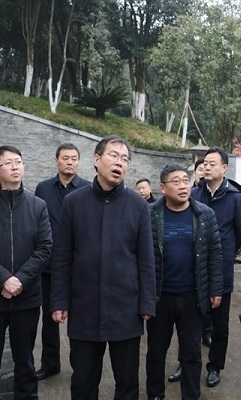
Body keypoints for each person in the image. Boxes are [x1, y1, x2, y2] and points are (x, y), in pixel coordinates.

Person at [51, 135, 156, 400]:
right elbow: (62, 257)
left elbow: (146, 260)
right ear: (97, 160)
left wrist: (147, 303)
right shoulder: (74, 202)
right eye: (113, 155)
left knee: (128, 383)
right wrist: (59, 301)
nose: (119, 162)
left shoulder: (138, 206)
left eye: (125, 159)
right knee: (83, 383)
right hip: (84, 307)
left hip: (126, 308)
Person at [146, 164, 223, 400]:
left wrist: (216, 288)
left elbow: (215, 253)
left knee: (192, 353)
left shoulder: (205, 214)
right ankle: (155, 394)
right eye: (176, 181)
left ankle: (191, 395)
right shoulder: (149, 214)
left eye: (185, 180)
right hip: (160, 296)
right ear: (162, 188)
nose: (182, 186)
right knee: (156, 351)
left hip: (193, 296)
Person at [190, 146, 241, 388]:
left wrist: (225, 251)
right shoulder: (194, 194)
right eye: (204, 163)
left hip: (220, 269)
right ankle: (187, 362)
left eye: (212, 163)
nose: (206, 167)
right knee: (190, 321)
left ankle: (215, 366)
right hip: (193, 267)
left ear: (224, 168)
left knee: (220, 323)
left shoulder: (236, 198)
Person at [33, 142, 91, 381]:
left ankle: (82, 365)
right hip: (49, 266)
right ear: (56, 160)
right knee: (49, 317)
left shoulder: (88, 188)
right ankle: (50, 363)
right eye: (65, 158)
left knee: (81, 318)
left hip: (80, 266)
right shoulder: (43, 188)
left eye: (74, 158)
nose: (70, 162)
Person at [0, 145, 52, 399]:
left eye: (18, 162)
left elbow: (45, 248)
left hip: (27, 298)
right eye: (8, 163)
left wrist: (19, 279)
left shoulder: (38, 205)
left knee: (25, 361)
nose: (15, 167)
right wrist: (4, 279)